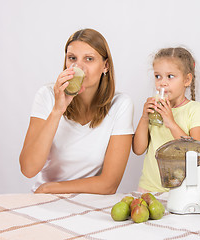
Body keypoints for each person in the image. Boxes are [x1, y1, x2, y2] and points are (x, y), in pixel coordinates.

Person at [19, 29, 134, 194]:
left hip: (87, 203)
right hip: (44, 201)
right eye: (72, 58)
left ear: (105, 66)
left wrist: (49, 188)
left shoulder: (121, 105)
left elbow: (109, 184)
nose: (78, 66)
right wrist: (58, 110)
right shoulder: (47, 96)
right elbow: (28, 169)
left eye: (89, 59)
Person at [133, 47, 200, 192]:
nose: (162, 83)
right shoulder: (155, 109)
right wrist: (143, 118)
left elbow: (198, 153)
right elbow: (138, 149)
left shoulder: (195, 110)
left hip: (182, 190)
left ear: (187, 80)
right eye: (158, 76)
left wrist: (171, 123)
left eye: (170, 76)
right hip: (149, 187)